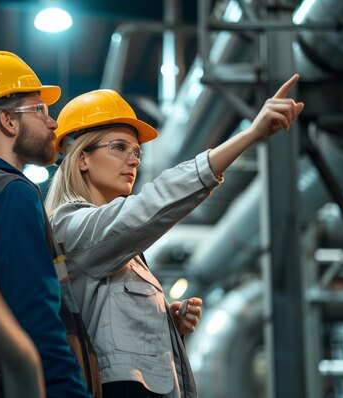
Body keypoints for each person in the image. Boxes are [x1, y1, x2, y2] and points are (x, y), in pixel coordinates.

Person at [45, 76, 304, 398]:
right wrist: (250, 135)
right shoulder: (72, 226)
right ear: (82, 157)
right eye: (119, 147)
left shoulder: (117, 244)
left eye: (137, 150)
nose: (134, 158)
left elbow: (107, 326)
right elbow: (153, 202)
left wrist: (167, 323)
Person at [0, 51, 100, 398]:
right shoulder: (10, 194)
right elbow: (36, 319)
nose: (53, 123)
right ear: (7, 121)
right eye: (40, 110)